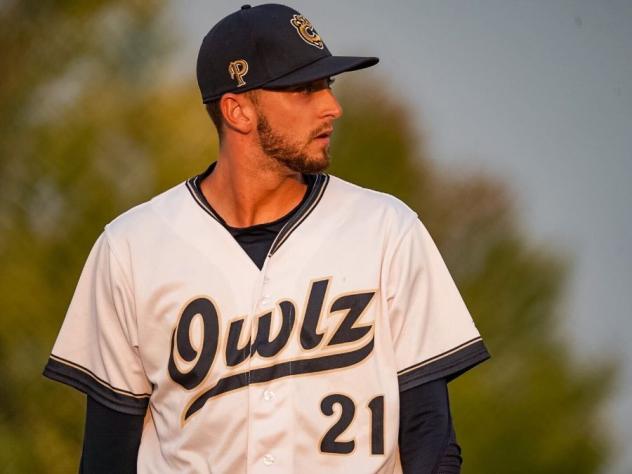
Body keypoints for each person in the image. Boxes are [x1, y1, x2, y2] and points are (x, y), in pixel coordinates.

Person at [44, 4, 489, 473]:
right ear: (238, 110)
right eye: (304, 89)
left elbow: (431, 440)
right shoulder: (130, 249)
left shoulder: (387, 231)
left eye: (328, 85)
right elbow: (106, 456)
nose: (331, 107)